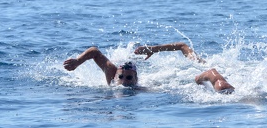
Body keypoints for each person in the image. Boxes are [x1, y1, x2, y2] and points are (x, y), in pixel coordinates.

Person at [63, 42, 235, 93]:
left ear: (136, 79)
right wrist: (78, 61)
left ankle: (210, 76)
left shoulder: (143, 88)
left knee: (201, 69)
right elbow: (94, 51)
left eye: (129, 78)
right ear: (116, 75)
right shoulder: (111, 72)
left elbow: (182, 45)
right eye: (121, 77)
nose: (123, 82)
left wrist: (153, 49)